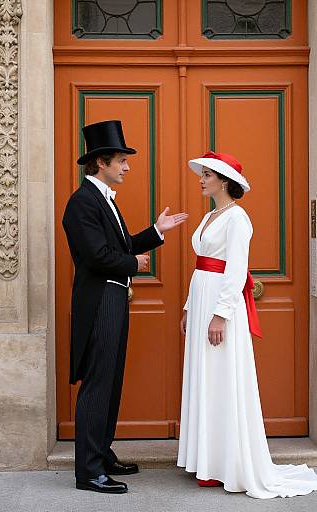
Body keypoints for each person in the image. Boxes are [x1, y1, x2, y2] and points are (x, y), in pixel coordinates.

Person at [177, 151, 317, 499]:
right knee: (205, 376)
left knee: (223, 377)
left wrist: (220, 314)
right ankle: (208, 461)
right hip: (202, 301)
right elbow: (201, 268)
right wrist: (188, 307)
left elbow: (236, 269)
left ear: (224, 181)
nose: (201, 179)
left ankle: (230, 463)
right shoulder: (211, 215)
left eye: (207, 174)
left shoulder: (237, 218)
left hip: (221, 307)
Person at [62, 120, 188, 494]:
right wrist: (136, 264)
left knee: (112, 381)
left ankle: (101, 454)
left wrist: (156, 231)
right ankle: (88, 471)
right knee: (98, 383)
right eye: (121, 160)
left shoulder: (103, 199)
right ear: (101, 163)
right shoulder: (82, 202)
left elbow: (119, 246)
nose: (127, 167)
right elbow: (98, 256)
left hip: (114, 298)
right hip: (100, 299)